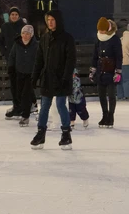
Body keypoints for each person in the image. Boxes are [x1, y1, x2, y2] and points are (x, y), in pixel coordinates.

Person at [30, 9, 77, 150]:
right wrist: (35, 77)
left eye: (52, 20)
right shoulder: (45, 38)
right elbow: (39, 60)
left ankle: (66, 134)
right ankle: (40, 134)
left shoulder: (67, 38)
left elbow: (70, 60)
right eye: (48, 20)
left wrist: (66, 77)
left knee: (61, 104)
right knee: (44, 106)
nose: (50, 23)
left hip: (61, 78)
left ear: (58, 20)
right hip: (48, 78)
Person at [90, 17, 123, 126]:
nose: (100, 32)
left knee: (111, 95)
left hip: (111, 70)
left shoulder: (115, 39)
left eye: (102, 30)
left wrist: (118, 71)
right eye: (99, 30)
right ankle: (104, 115)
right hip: (100, 70)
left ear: (107, 29)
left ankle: (110, 116)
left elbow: (119, 56)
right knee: (101, 95)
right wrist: (93, 70)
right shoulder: (98, 38)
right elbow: (95, 55)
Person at [7, 24, 38, 126]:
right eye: (23, 33)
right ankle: (31, 105)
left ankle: (25, 117)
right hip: (19, 73)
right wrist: (11, 68)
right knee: (19, 93)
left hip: (31, 74)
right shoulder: (17, 44)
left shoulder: (36, 45)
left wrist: (38, 71)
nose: (25, 35)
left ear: (31, 35)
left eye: (28, 33)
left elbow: (39, 59)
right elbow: (12, 56)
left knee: (26, 95)